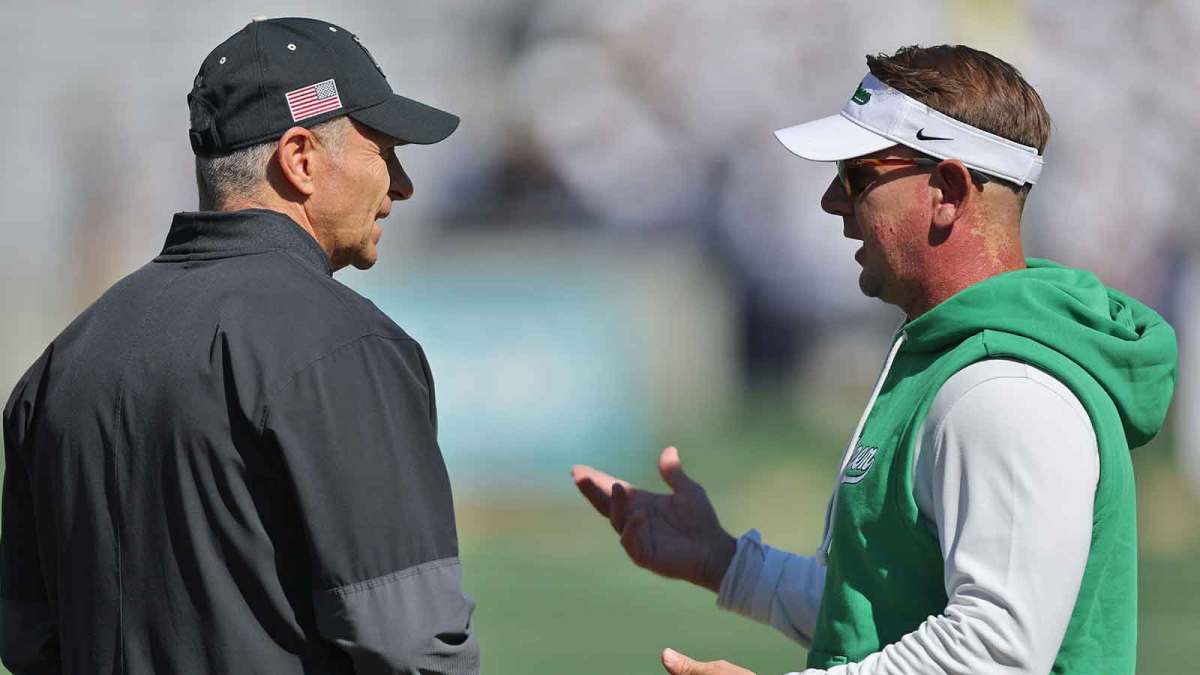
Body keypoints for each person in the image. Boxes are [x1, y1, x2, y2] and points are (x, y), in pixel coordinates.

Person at [572, 44, 1178, 675]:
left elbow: (995, 653)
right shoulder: (952, 362)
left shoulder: (1005, 389)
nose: (833, 202)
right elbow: (888, 609)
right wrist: (725, 562)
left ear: (947, 190)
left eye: (858, 175)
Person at [1, 17, 479, 675]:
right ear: (300, 158)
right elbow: (413, 646)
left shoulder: (61, 363)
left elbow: (31, 642)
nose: (401, 185)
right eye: (385, 152)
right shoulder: (345, 345)